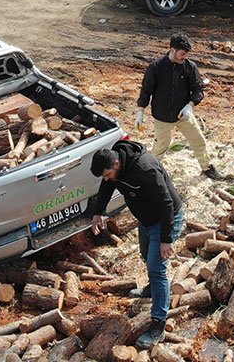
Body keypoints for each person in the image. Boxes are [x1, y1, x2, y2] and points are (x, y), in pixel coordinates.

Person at [90, 140, 184, 351]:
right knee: (145, 254)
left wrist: (166, 239)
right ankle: (152, 290)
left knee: (157, 268)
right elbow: (107, 186)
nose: (107, 179)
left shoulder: (145, 168)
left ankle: (158, 325)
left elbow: (166, 203)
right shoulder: (115, 168)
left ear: (116, 164)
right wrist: (98, 212)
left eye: (108, 174)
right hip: (147, 219)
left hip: (166, 218)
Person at [137, 34, 220, 180]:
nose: (184, 57)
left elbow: (198, 89)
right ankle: (151, 171)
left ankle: (207, 168)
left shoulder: (189, 67)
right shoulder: (156, 67)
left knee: (199, 140)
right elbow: (146, 90)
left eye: (186, 54)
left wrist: (190, 106)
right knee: (160, 146)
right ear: (172, 50)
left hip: (183, 115)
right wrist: (140, 112)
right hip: (162, 116)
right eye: (182, 54)